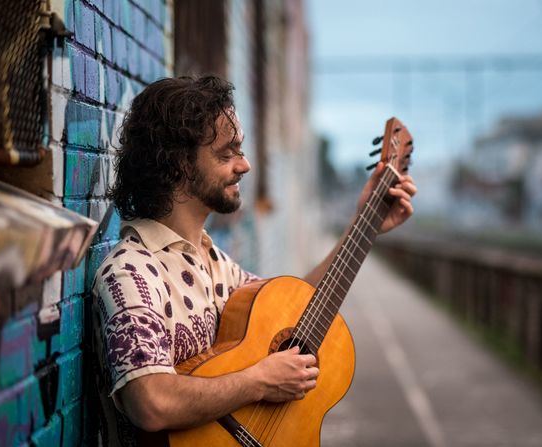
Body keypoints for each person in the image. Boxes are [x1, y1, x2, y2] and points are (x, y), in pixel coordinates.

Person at [92, 75, 416, 444]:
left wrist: (366, 224)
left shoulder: (214, 262)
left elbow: (298, 309)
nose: (245, 165)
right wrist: (261, 380)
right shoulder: (131, 273)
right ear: (178, 164)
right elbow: (150, 402)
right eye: (226, 153)